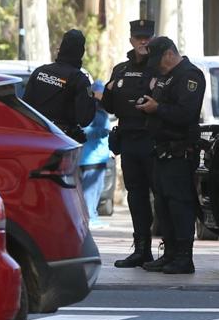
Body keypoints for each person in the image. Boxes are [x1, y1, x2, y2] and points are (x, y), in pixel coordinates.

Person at [137, 36, 205, 274]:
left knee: (180, 205)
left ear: (169, 54)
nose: (157, 67)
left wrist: (158, 109)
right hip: (162, 150)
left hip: (179, 151)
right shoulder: (166, 77)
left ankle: (184, 257)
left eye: (159, 61)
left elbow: (185, 113)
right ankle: (170, 253)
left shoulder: (189, 76)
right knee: (164, 206)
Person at [101, 19, 159, 267]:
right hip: (129, 139)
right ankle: (141, 249)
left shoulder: (160, 69)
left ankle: (170, 251)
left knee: (161, 196)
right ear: (131, 40)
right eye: (139, 37)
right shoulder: (121, 69)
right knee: (136, 197)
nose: (143, 41)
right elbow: (109, 106)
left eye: (147, 37)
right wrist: (108, 90)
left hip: (152, 140)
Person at [23, 28, 97, 142]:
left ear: (61, 49)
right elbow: (85, 119)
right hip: (62, 142)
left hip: (35, 138)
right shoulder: (81, 81)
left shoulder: (39, 72)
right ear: (81, 52)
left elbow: (25, 107)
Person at [78, 79, 113, 224]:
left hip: (84, 158)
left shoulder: (82, 109)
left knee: (89, 192)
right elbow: (97, 131)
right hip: (94, 159)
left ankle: (90, 216)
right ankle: (90, 218)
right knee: (91, 192)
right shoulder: (97, 112)